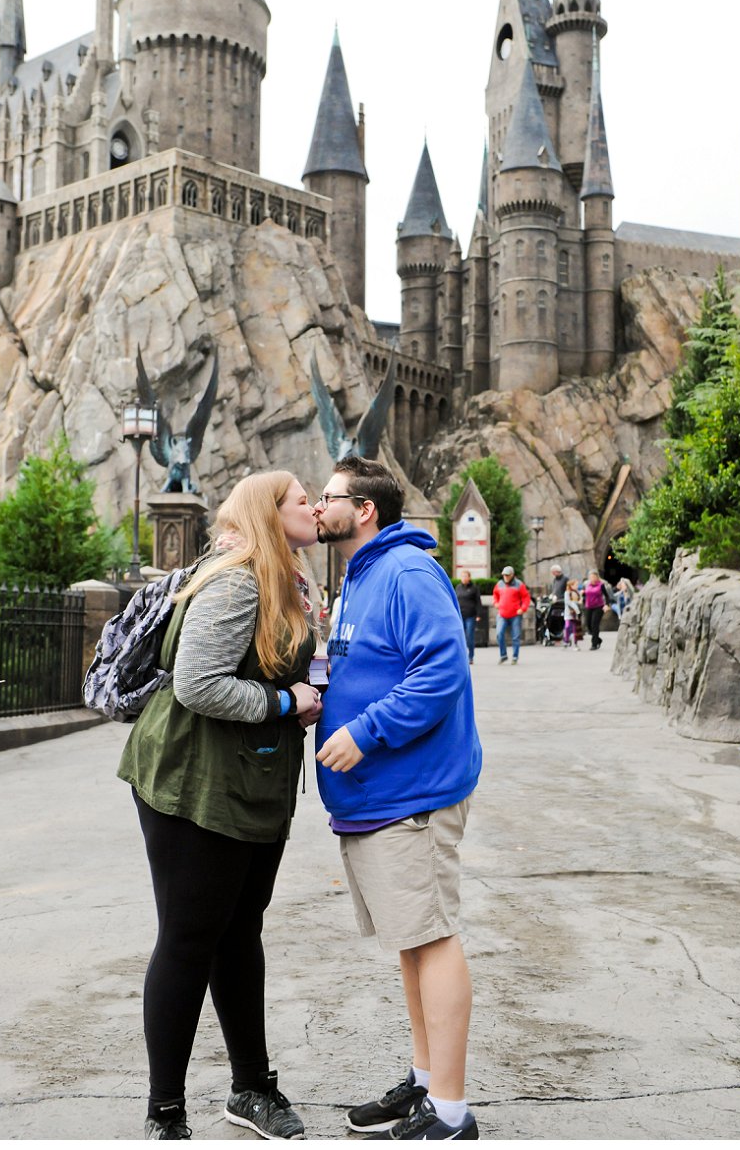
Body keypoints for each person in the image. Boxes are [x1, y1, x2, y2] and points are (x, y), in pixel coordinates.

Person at [118, 471, 325, 1141]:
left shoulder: (281, 575)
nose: (314, 507)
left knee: (239, 932)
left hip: (247, 780)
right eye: (302, 500)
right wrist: (284, 702)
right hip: (191, 781)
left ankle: (251, 1088)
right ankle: (165, 1113)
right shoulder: (239, 578)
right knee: (187, 938)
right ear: (270, 511)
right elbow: (197, 682)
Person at [313, 456, 484, 1140]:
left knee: (432, 936)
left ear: (364, 510)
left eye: (328, 496)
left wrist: (365, 730)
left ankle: (448, 1109)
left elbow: (442, 670)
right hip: (377, 798)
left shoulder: (407, 573)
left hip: (414, 792)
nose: (318, 505)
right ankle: (423, 1080)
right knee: (412, 941)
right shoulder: (361, 575)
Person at [491, 565, 530, 664]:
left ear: (512, 575)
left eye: (508, 575)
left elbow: (526, 597)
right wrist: (495, 603)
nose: (506, 577)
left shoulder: (519, 585)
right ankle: (503, 655)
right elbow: (495, 594)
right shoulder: (499, 584)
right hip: (502, 614)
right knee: (499, 634)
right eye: (504, 575)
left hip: (515, 614)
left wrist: (523, 608)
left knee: (516, 636)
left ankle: (515, 657)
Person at [452, 569, 482, 665]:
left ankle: (471, 657)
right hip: (460, 616)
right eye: (462, 576)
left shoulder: (474, 588)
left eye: (466, 576)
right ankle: (462, 657)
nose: (464, 578)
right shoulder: (458, 588)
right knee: (461, 637)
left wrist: (478, 615)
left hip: (471, 615)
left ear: (469, 578)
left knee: (469, 636)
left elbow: (478, 602)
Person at [582, 571, 609, 650]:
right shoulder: (587, 585)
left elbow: (607, 596)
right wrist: (583, 595)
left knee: (594, 624)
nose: (592, 578)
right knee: (588, 625)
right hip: (588, 607)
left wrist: (606, 605)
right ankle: (598, 639)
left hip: (598, 607)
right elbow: (585, 594)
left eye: (594, 577)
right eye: (591, 577)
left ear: (597, 577)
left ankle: (594, 644)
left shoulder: (601, 585)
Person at [562, 581, 581, 648]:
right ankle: (566, 640)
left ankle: (575, 643)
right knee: (567, 627)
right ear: (571, 585)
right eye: (576, 585)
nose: (577, 586)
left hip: (575, 614)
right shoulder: (567, 593)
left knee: (575, 629)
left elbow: (579, 601)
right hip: (569, 613)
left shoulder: (577, 592)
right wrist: (576, 608)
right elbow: (568, 602)